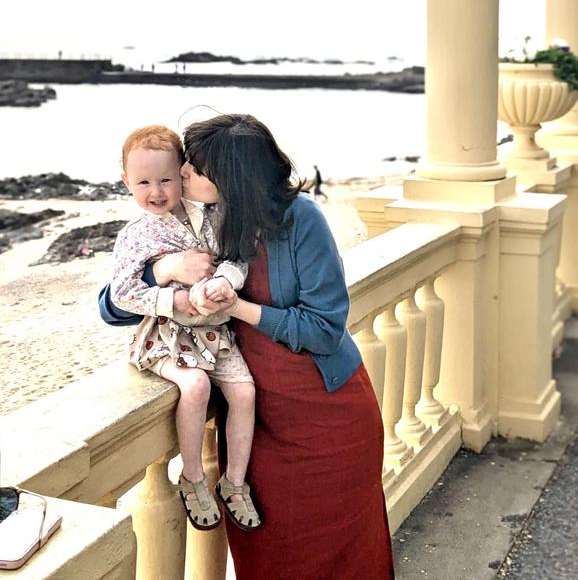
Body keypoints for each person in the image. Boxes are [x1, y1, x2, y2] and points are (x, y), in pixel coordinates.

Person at [101, 114, 394, 579]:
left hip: (325, 415)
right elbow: (112, 306)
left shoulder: (302, 221)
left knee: (342, 549)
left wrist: (236, 308)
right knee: (268, 549)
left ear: (229, 178)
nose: (182, 175)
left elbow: (323, 327)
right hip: (261, 425)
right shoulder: (211, 221)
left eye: (193, 169)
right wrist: (166, 270)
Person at [112, 125, 261, 532]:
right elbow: (122, 294)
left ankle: (234, 482)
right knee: (195, 387)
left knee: (244, 392)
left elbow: (236, 257)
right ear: (126, 182)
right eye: (143, 182)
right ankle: (193, 478)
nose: (155, 191)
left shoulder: (212, 215)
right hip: (166, 334)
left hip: (216, 333)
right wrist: (171, 299)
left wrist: (225, 281)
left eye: (165, 179)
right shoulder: (134, 235)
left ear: (182, 173)